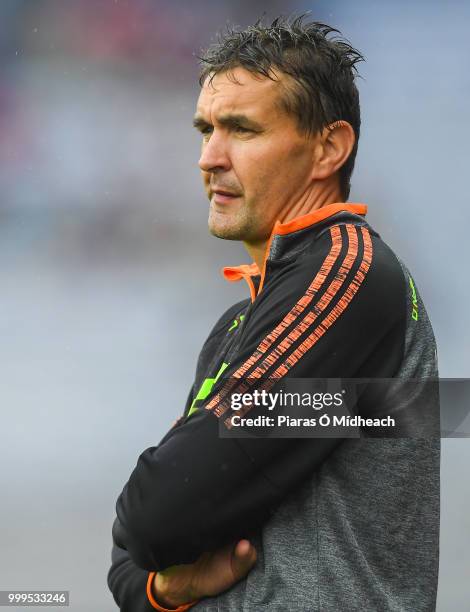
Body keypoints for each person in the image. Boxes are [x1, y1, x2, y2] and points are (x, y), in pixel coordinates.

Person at [107, 16, 440, 611]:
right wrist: (163, 588)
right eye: (205, 129)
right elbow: (132, 557)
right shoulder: (238, 323)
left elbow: (158, 511)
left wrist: (158, 543)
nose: (209, 158)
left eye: (241, 129)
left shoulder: (348, 272)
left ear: (328, 148)